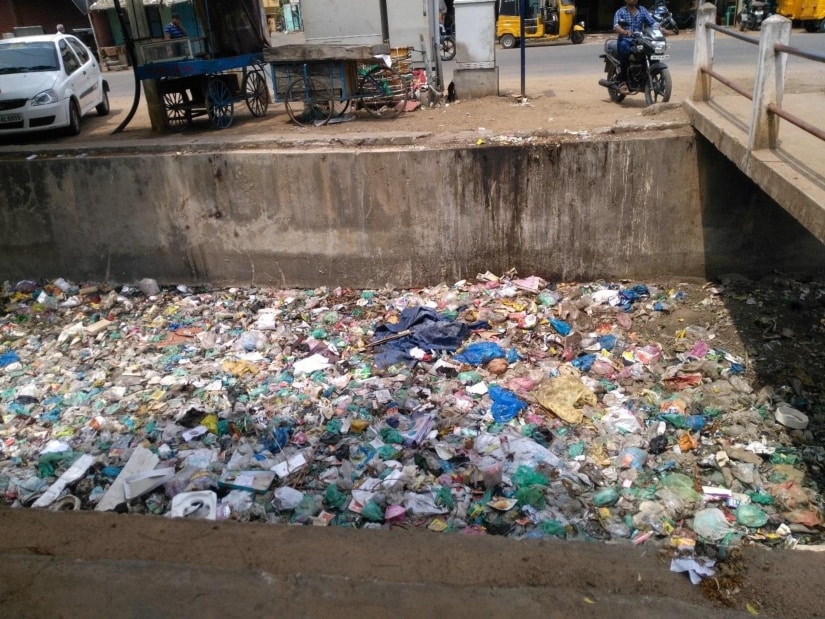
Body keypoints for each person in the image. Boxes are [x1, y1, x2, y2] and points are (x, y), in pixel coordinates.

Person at [613, 0, 656, 95]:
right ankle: (623, 82)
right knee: (625, 51)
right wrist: (624, 31)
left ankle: (643, 75)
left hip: (640, 40)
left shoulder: (642, 10)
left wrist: (661, 29)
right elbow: (616, 26)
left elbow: (652, 23)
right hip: (625, 40)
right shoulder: (621, 11)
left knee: (651, 50)